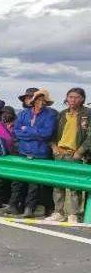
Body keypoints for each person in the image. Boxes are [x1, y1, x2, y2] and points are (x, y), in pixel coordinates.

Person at [5, 89, 58, 217]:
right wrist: (34, 132)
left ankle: (30, 208)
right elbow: (17, 131)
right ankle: (14, 205)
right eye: (39, 100)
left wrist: (27, 129)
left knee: (34, 183)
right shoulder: (24, 114)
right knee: (18, 180)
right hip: (23, 151)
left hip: (40, 153)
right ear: (34, 101)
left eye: (44, 100)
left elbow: (47, 134)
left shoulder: (50, 115)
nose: (41, 102)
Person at [47, 88, 88, 223]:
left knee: (73, 185)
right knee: (57, 184)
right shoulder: (62, 114)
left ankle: (73, 214)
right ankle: (58, 212)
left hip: (75, 154)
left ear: (82, 99)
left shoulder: (87, 114)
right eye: (70, 97)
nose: (73, 100)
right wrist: (53, 147)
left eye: (76, 97)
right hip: (60, 153)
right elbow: (52, 134)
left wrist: (80, 151)